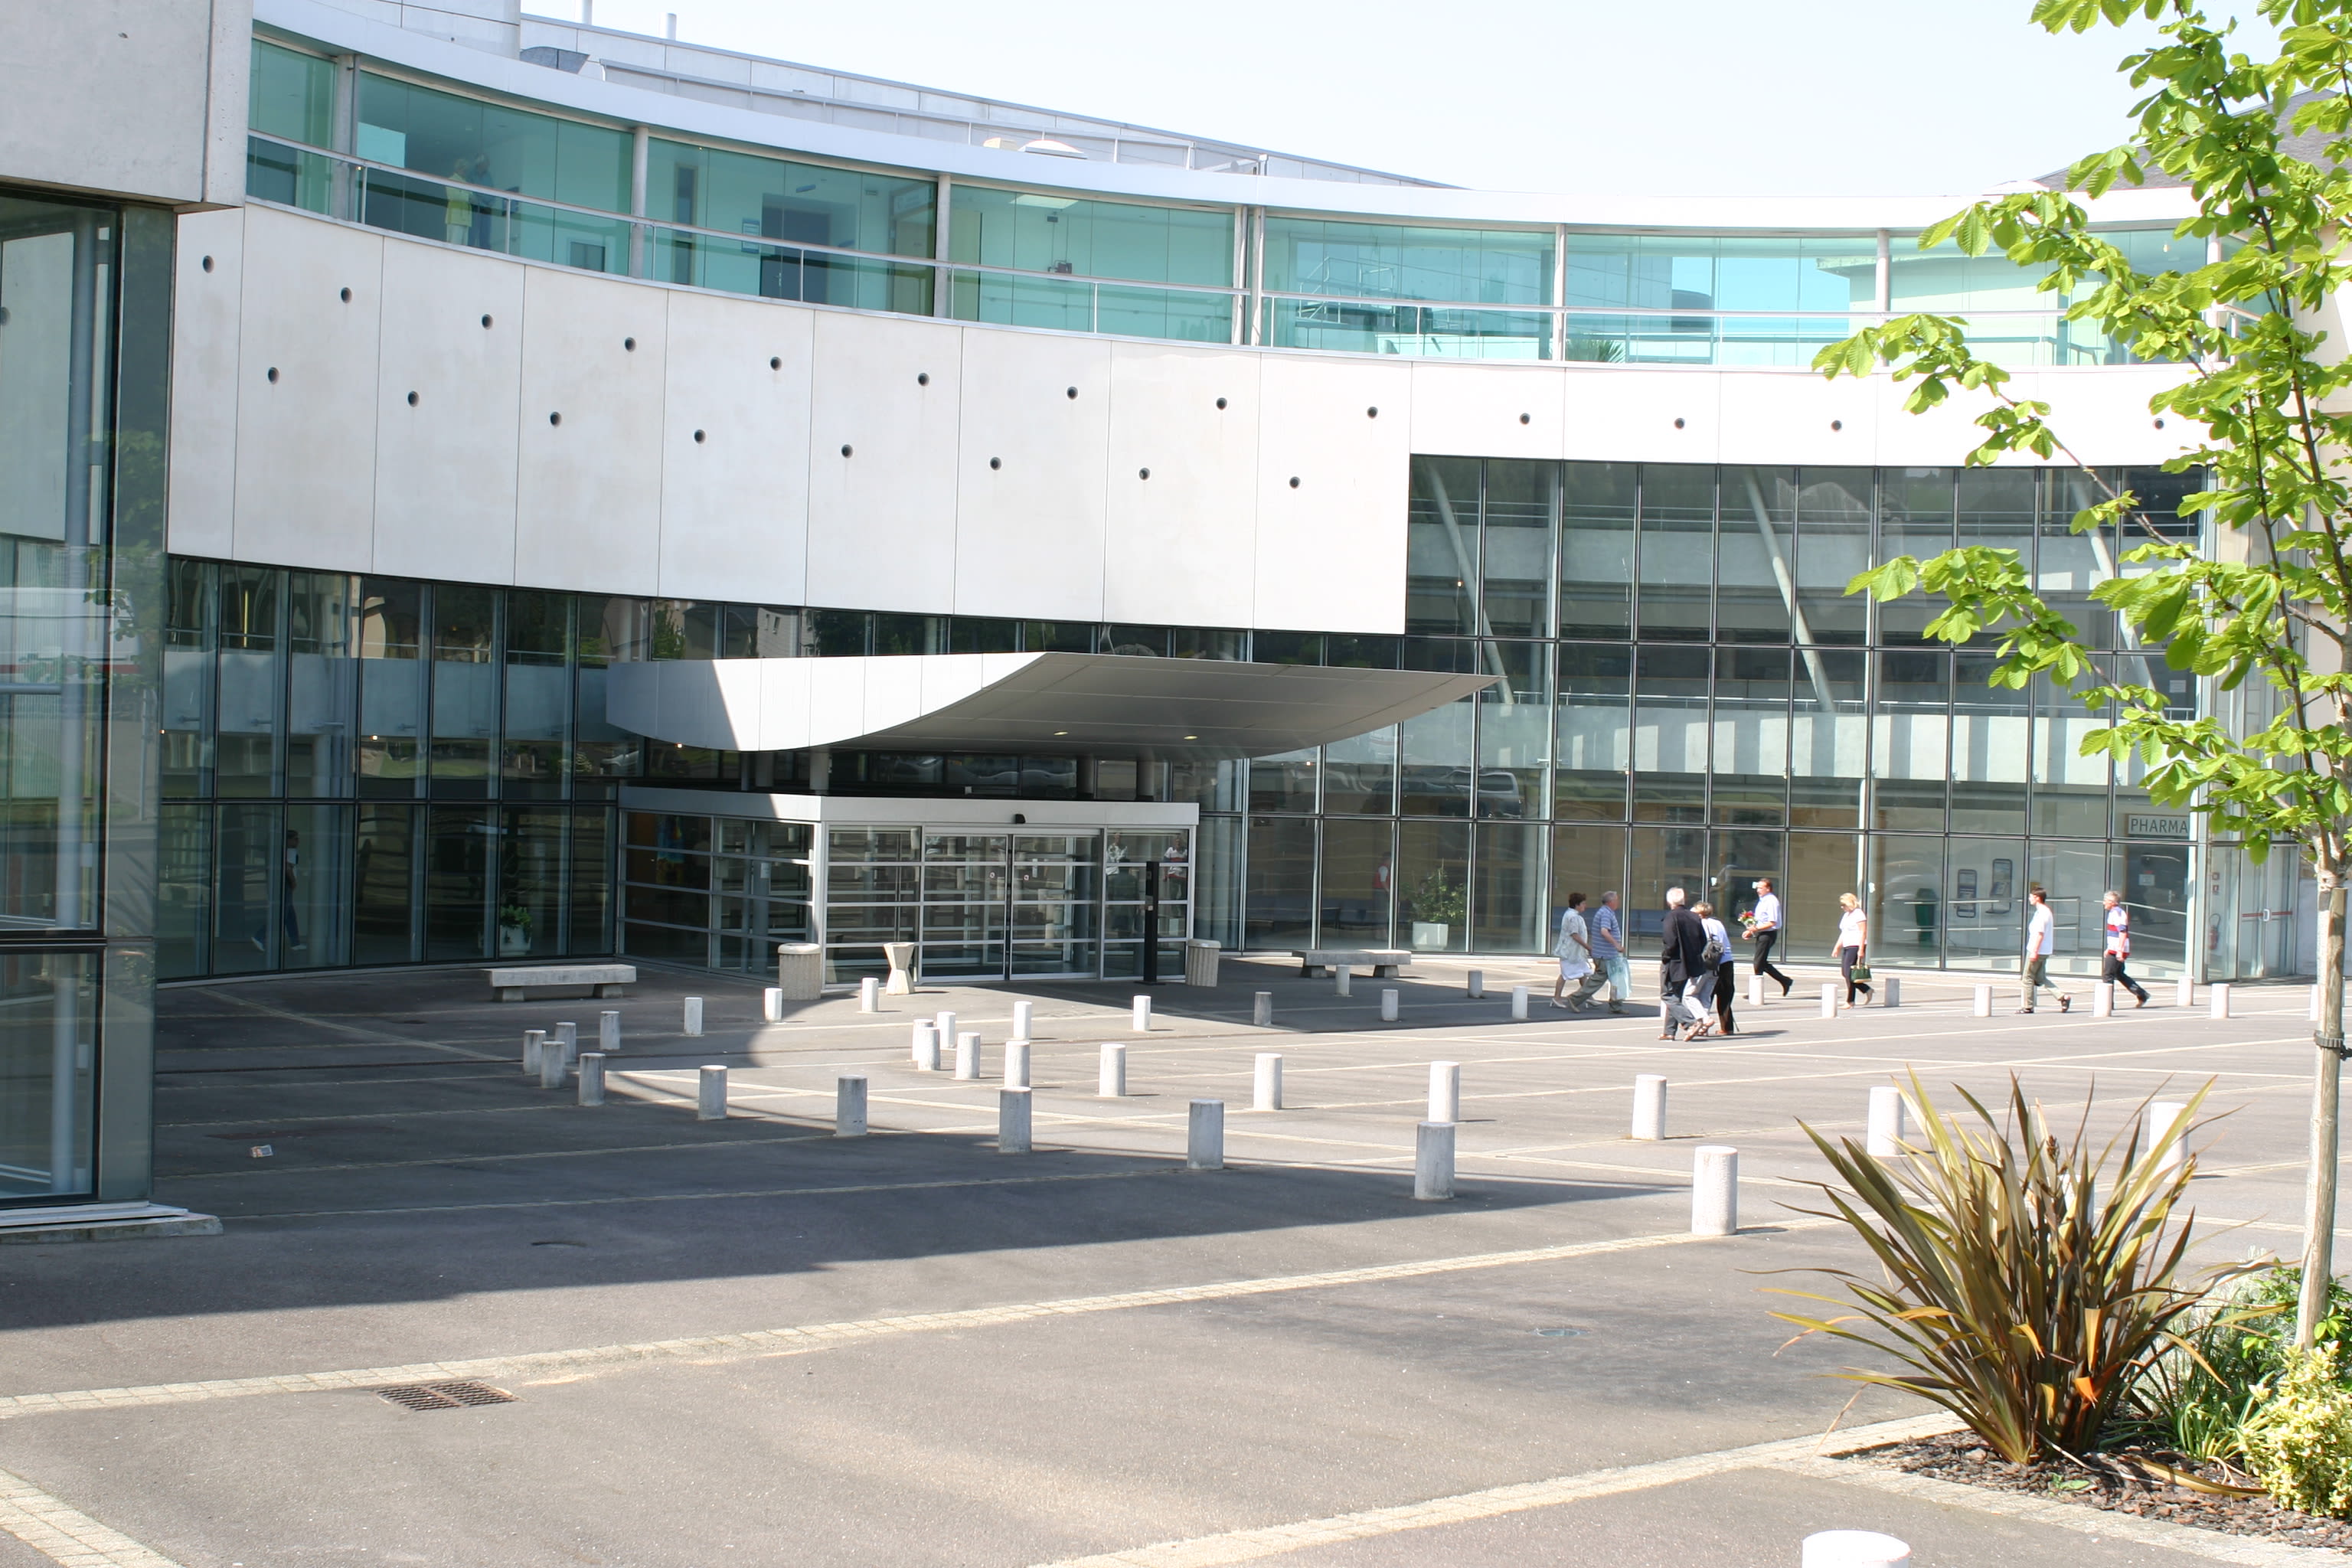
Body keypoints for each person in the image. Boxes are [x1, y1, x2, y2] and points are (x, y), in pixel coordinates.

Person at [1660, 887, 1710, 1040]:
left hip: (1674, 962)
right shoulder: (1694, 917)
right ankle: (1669, 1031)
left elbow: (1670, 942)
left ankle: (1690, 1023)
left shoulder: (1671, 917)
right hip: (1690, 962)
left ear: (1670, 902)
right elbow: (1703, 940)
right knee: (1676, 995)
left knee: (1667, 995)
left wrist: (1665, 957)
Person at [2019, 887, 2070, 1013]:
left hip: (2037, 950)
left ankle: (2028, 1006)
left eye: (2031, 896)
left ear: (2037, 898)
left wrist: (2034, 951)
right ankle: (2062, 997)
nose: (2030, 899)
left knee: (2027, 978)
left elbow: (2040, 934)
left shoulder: (2042, 913)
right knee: (2040, 978)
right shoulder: (2044, 911)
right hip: (2044, 950)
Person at [2102, 890, 2151, 1007]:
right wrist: (2109, 948)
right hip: (2114, 948)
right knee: (2119, 974)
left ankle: (2108, 1003)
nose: (2104, 903)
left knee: (2107, 975)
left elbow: (2122, 932)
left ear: (2112, 902)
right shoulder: (2115, 912)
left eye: (2105, 901)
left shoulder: (2117, 913)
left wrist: (2119, 950)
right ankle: (2141, 993)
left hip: (2117, 949)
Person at [1746, 877, 1792, 998]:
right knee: (1761, 962)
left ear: (1768, 889)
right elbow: (1761, 920)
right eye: (1757, 888)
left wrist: (1756, 929)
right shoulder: (1762, 901)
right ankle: (1785, 981)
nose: (1758, 890)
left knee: (1758, 963)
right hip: (1761, 933)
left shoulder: (1771, 901)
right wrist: (1751, 930)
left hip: (1768, 934)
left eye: (1761, 888)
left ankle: (1756, 992)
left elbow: (1772, 922)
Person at [1587, 891, 1632, 1015]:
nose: (1618, 902)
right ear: (1611, 902)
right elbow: (1604, 931)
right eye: (1616, 900)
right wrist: (1617, 945)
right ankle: (1575, 998)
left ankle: (1616, 1005)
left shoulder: (1605, 912)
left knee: (1614, 980)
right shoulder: (1606, 914)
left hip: (1606, 953)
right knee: (1600, 980)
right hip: (1606, 954)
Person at [1696, 900, 1736, 1036]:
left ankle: (1703, 1026)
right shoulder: (1718, 923)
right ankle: (1727, 1027)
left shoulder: (1702, 924)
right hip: (1727, 960)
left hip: (1712, 962)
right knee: (1725, 995)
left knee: (1706, 994)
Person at [1552, 893, 1594, 1011]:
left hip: (1575, 952)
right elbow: (1574, 935)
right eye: (1583, 904)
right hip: (1570, 952)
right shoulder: (1573, 917)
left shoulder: (1573, 915)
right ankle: (1557, 998)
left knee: (1583, 973)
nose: (1585, 906)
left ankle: (1588, 996)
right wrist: (1588, 947)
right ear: (1577, 905)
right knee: (1565, 974)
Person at [1835, 892, 1873, 1009]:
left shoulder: (1858, 914)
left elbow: (1863, 932)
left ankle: (1850, 1001)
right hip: (1847, 945)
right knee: (1845, 973)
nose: (1842, 907)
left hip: (1856, 945)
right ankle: (1866, 989)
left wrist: (1861, 949)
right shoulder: (1846, 915)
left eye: (1843, 904)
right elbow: (1844, 932)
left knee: (1849, 974)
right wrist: (1837, 947)